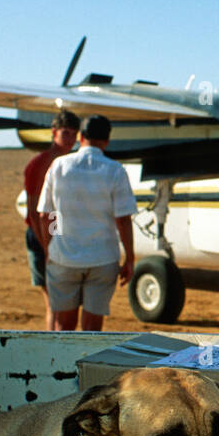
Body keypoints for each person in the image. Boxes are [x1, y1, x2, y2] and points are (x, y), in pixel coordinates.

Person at [36, 114, 137, 331]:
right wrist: (129, 257)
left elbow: (47, 216)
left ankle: (63, 365)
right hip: (102, 259)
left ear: (81, 136)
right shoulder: (115, 170)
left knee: (64, 326)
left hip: (63, 257)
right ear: (107, 141)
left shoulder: (59, 166)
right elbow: (123, 219)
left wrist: (50, 246)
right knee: (92, 329)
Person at [24, 111, 80, 329]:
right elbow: (37, 211)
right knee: (55, 304)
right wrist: (48, 245)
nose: (70, 140)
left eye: (74, 135)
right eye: (66, 133)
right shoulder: (40, 164)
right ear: (54, 132)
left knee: (64, 303)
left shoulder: (70, 162)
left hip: (61, 234)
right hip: (44, 235)